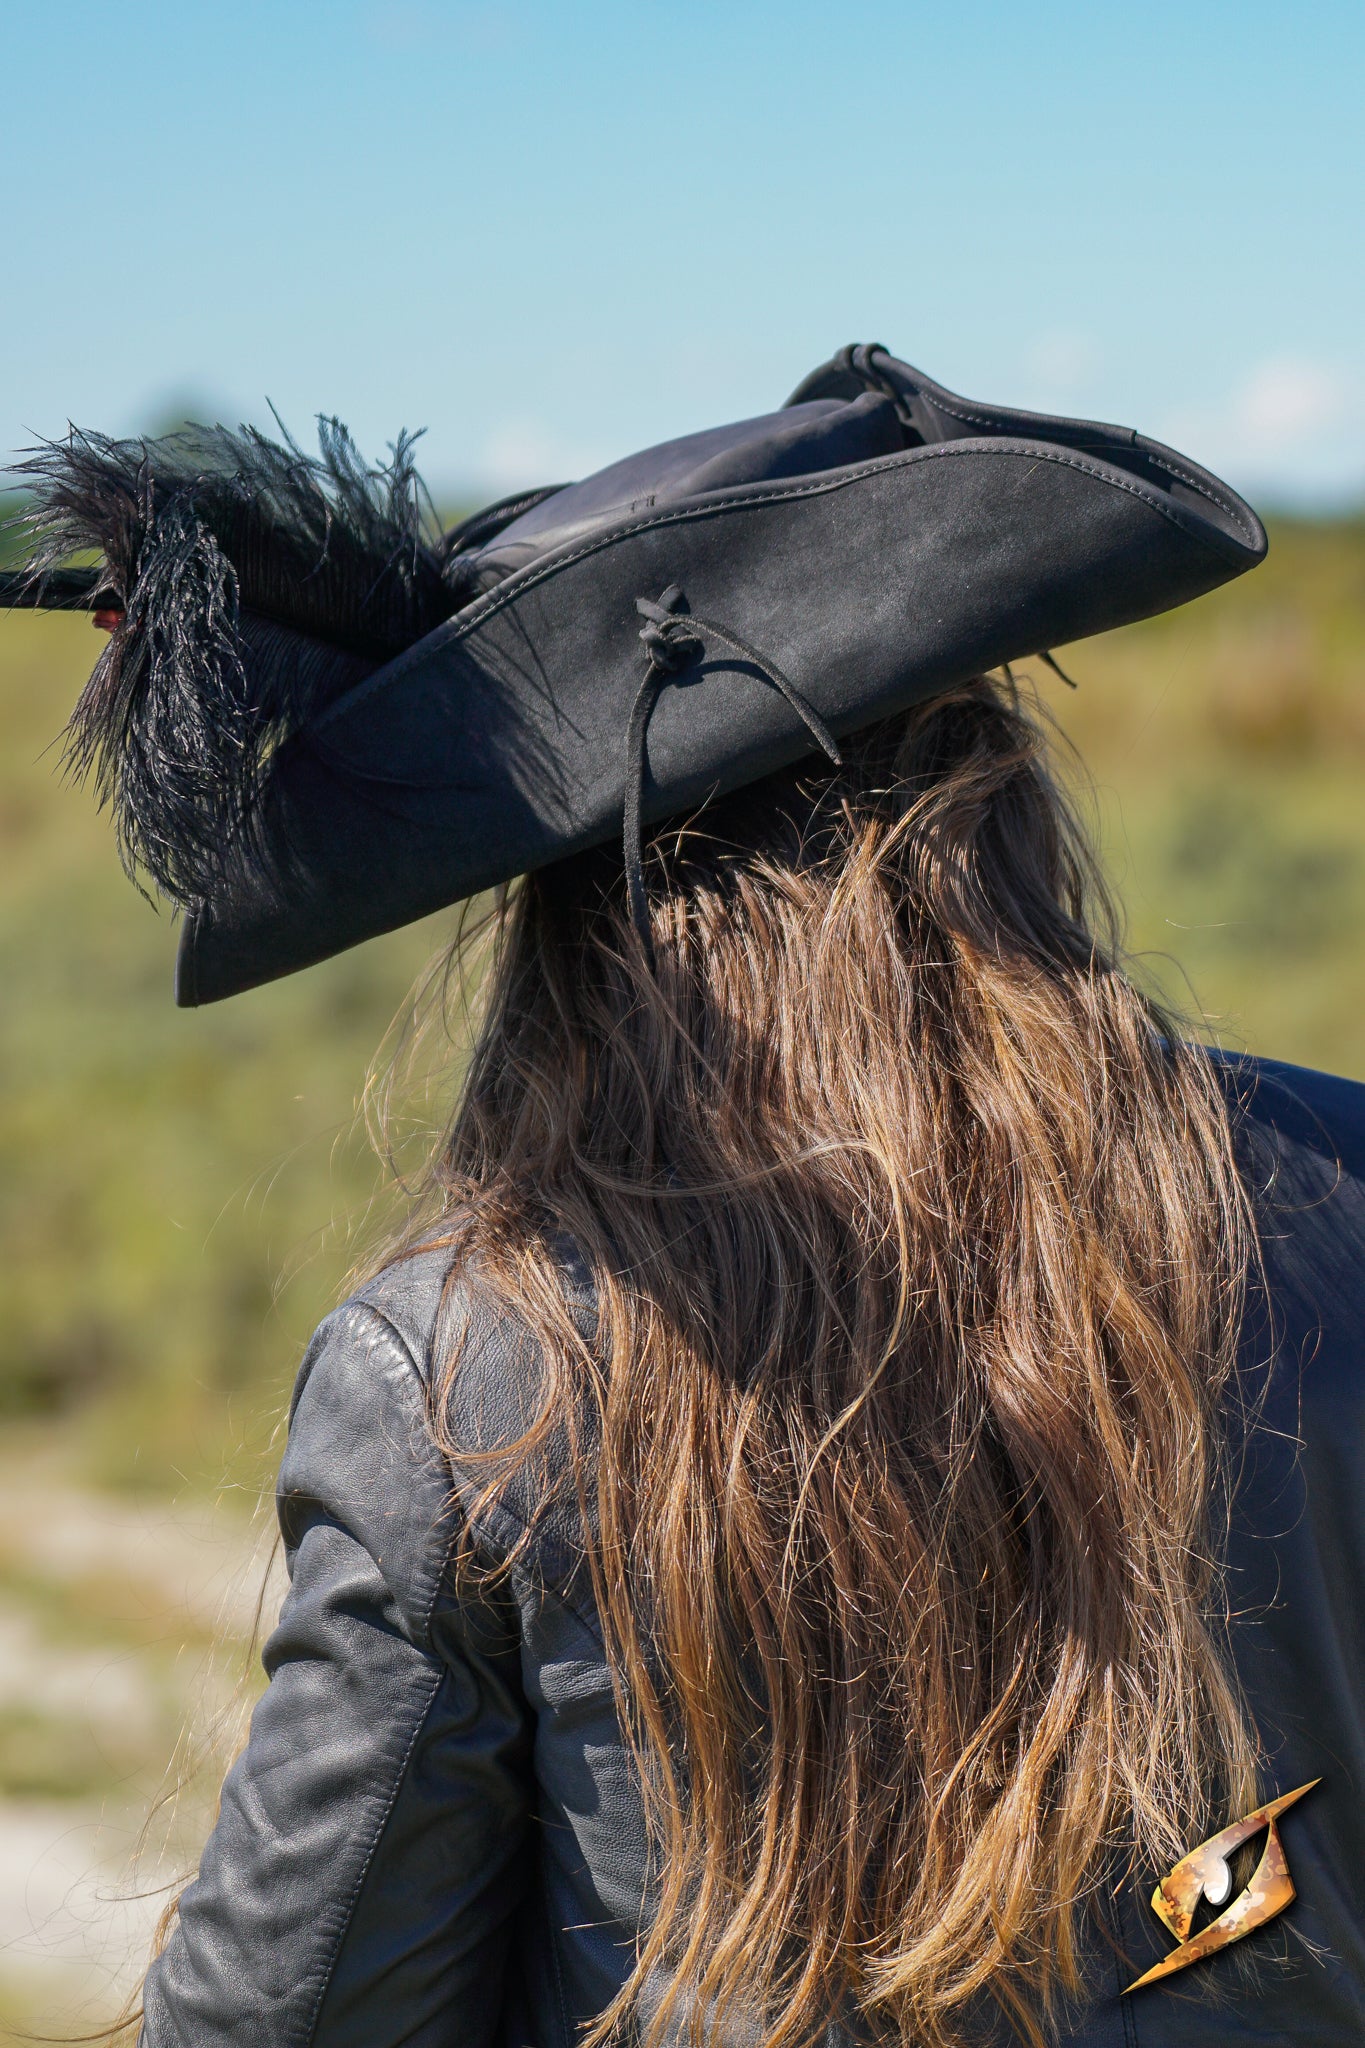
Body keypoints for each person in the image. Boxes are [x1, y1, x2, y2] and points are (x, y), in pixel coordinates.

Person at [7, 346, 1364, 2045]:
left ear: (571, 910)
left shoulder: (467, 1367)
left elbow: (283, 2019)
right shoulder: (1343, 1187)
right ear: (993, 798)